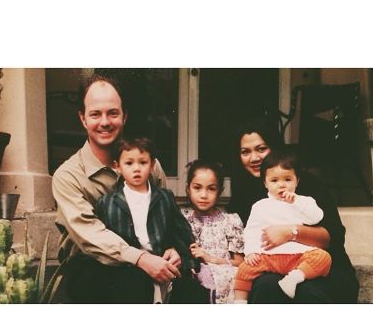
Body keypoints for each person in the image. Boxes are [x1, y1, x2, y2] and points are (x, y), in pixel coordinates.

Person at [52, 74, 209, 303]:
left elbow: (168, 217)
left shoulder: (150, 166)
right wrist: (141, 259)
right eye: (95, 114)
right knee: (133, 282)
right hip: (92, 265)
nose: (105, 122)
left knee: (193, 291)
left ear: (124, 116)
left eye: (112, 113)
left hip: (152, 259)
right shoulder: (68, 176)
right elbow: (90, 236)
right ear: (83, 118)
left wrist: (175, 249)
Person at [227, 116, 359, 303]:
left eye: (261, 149)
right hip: (270, 265)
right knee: (266, 286)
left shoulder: (307, 184)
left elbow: (332, 238)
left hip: (316, 265)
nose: (254, 158)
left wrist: (290, 232)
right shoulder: (244, 190)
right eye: (245, 152)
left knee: (305, 290)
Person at [95, 137, 205, 303]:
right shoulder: (108, 203)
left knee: (194, 291)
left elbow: (183, 233)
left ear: (152, 165)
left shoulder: (164, 197)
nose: (136, 168)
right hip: (129, 270)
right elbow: (103, 243)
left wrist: (181, 255)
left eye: (143, 162)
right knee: (132, 287)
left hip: (164, 264)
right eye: (129, 163)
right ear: (117, 167)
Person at [234, 149, 332, 303]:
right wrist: (251, 252)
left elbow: (316, 218)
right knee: (244, 269)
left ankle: (294, 278)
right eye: (274, 181)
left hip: (298, 255)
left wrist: (297, 202)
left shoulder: (304, 201)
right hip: (268, 257)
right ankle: (239, 302)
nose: (281, 185)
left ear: (297, 181)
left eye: (287, 179)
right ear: (265, 183)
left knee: (323, 258)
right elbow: (251, 231)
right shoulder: (260, 206)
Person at [181, 159, 244, 303]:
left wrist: (211, 259)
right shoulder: (182, 220)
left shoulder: (230, 221)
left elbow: (240, 262)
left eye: (211, 189)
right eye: (197, 188)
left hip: (225, 282)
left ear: (220, 191)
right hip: (193, 285)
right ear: (188, 189)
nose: (204, 195)